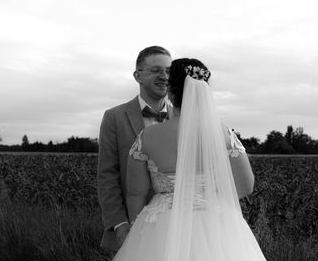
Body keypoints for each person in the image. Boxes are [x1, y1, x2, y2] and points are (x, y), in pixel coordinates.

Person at [112, 58, 267, 261]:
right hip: (217, 223)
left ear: (171, 92)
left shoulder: (148, 137)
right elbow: (246, 186)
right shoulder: (223, 134)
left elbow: (136, 193)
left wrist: (137, 232)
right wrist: (208, 197)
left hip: (161, 227)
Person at [97, 46, 173, 252]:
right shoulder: (114, 117)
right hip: (131, 224)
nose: (164, 76)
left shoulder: (184, 117)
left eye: (168, 70)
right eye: (156, 70)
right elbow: (107, 176)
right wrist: (119, 224)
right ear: (138, 76)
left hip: (176, 225)